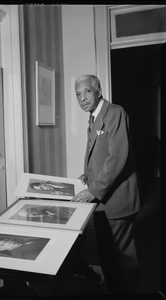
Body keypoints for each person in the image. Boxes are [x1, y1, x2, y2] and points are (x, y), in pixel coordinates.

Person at [71, 74, 142, 294]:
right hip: (102, 204)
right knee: (108, 262)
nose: (82, 98)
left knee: (123, 265)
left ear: (99, 91)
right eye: (78, 94)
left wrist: (93, 190)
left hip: (117, 203)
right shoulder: (93, 117)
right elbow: (99, 153)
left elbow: (117, 158)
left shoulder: (115, 112)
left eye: (87, 92)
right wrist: (87, 175)